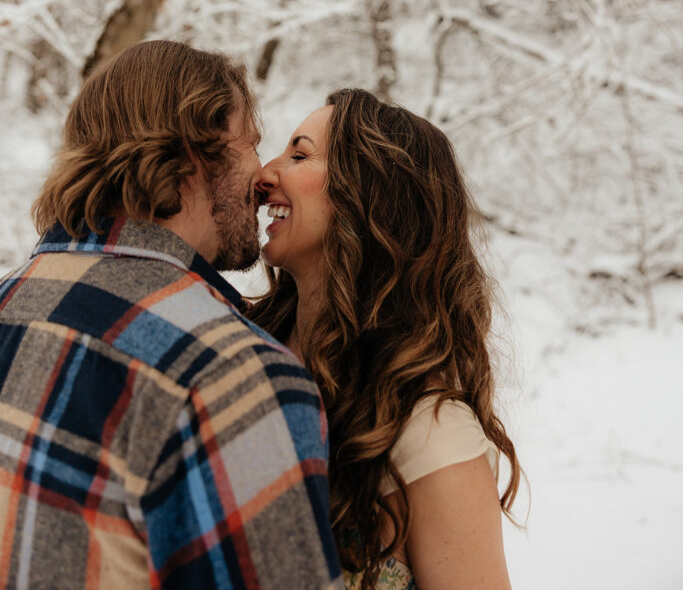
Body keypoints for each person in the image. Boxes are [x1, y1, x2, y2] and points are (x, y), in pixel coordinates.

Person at [0, 40, 342, 590]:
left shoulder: (9, 303)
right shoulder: (232, 376)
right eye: (251, 143)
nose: (262, 173)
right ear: (192, 153)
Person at [248, 88, 520, 590]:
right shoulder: (236, 346)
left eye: (299, 154)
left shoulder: (431, 434)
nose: (264, 173)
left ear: (368, 194)